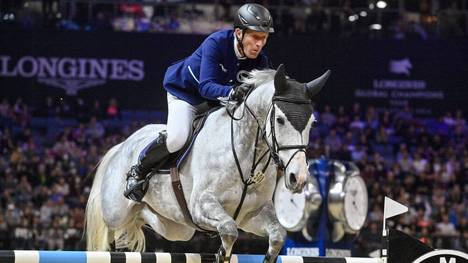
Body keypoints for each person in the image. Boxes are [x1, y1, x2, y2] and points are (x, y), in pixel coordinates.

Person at [124, 3, 274, 202]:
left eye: (264, 39)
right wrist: (233, 91)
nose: (259, 44)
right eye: (255, 37)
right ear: (239, 33)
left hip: (217, 102)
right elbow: (206, 87)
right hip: (186, 95)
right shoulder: (216, 43)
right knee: (178, 138)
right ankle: (139, 169)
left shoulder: (260, 61)